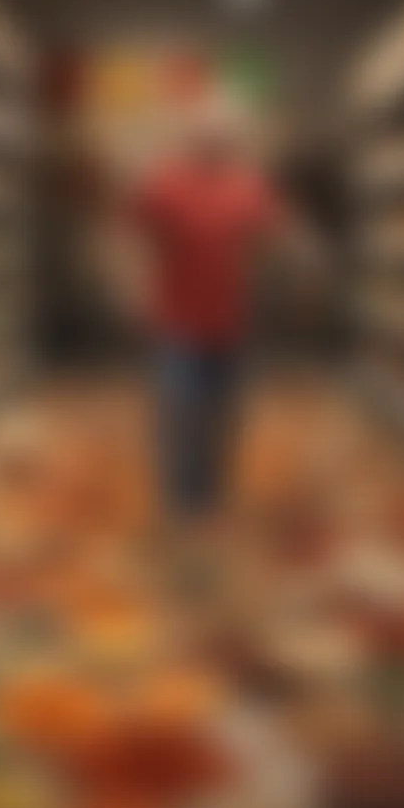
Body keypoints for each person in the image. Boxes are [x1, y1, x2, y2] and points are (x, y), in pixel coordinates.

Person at [126, 106, 311, 521]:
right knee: (181, 416)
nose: (214, 142)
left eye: (223, 135)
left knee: (223, 418)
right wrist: (135, 293)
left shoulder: (248, 188)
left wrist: (297, 262)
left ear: (233, 142)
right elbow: (132, 234)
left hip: (231, 326)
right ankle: (181, 503)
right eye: (205, 134)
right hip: (178, 325)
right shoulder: (164, 184)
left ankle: (209, 498)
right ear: (191, 139)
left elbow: (279, 234)